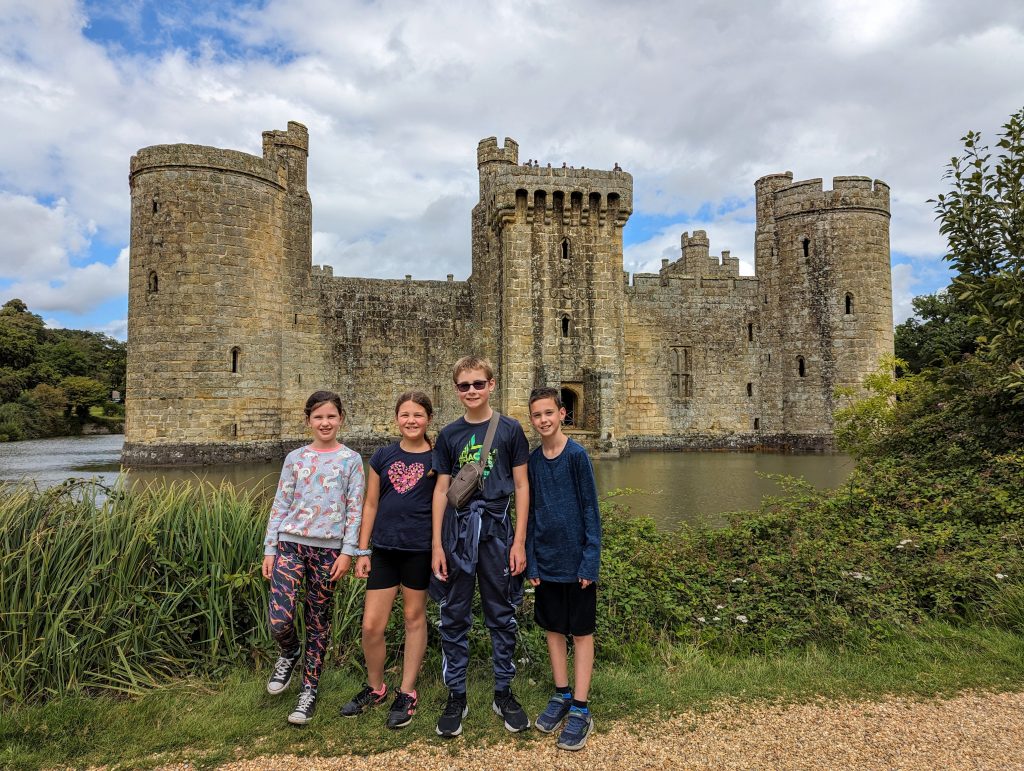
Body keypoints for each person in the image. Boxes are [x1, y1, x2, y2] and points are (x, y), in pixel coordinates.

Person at [430, 355, 531, 738]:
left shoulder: (509, 430)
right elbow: (441, 491)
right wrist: (437, 545)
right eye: (463, 385)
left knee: (501, 614)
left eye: (477, 383)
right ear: (457, 390)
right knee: (454, 615)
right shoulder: (449, 435)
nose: (471, 391)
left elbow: (521, 486)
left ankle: (503, 692)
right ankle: (456, 694)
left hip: (496, 532)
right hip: (457, 534)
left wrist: (518, 541)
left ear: (492, 385)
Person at [261, 391, 364, 725]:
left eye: (331, 417)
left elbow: (354, 510)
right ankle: (289, 651)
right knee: (279, 619)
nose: (325, 423)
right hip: (290, 544)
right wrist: (270, 548)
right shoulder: (295, 458)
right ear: (308, 421)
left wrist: (349, 552)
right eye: (318, 417)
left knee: (319, 623)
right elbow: (280, 503)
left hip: (328, 551)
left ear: (341, 419)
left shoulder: (351, 460)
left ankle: (308, 691)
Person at [340, 391, 436, 729]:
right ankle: (376, 686)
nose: (411, 420)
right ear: (396, 418)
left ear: (428, 419)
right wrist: (362, 550)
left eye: (418, 415)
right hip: (383, 549)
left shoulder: (438, 458)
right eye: (405, 414)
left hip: (418, 550)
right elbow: (370, 505)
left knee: (413, 617)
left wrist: (439, 548)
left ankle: (407, 691)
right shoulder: (382, 456)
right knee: (371, 625)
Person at [525, 387, 601, 751]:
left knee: (582, 633)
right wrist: (532, 560)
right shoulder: (533, 461)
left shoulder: (576, 456)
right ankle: (561, 694)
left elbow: (591, 511)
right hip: (547, 562)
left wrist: (590, 560)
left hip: (577, 564)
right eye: (537, 415)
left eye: (548, 413)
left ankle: (582, 708)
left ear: (562, 414)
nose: (543, 420)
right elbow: (530, 513)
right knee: (554, 630)